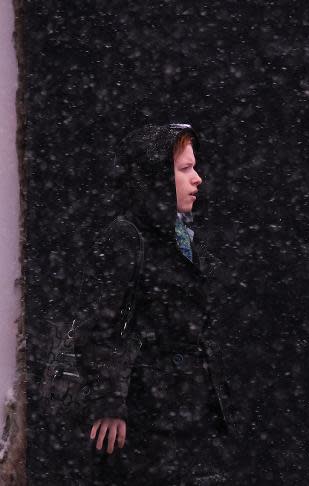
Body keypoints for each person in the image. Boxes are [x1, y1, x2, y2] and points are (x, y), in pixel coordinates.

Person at [74, 124, 243, 485]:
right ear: (156, 177)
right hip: (148, 424)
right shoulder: (128, 236)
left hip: (191, 420)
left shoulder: (183, 237)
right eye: (184, 169)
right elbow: (97, 325)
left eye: (194, 168)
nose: (196, 179)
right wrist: (110, 402)